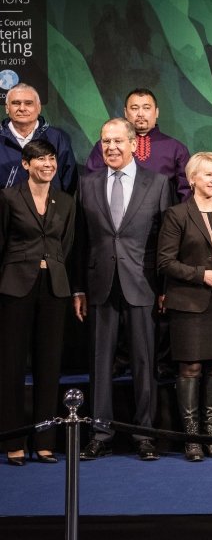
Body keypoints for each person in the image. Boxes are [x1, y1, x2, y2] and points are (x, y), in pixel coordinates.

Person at [73, 118, 172, 461]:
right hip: (99, 286)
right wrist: (77, 289)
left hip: (143, 285)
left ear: (133, 143)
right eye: (105, 141)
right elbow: (80, 241)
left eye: (117, 141)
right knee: (100, 363)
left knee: (145, 362)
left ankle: (145, 434)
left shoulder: (158, 183)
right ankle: (100, 433)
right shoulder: (87, 184)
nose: (111, 147)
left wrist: (164, 287)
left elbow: (164, 241)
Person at [158, 152, 212, 462]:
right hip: (190, 303)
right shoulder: (177, 214)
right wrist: (202, 275)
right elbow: (165, 262)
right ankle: (191, 438)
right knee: (191, 367)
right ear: (192, 179)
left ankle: (211, 434)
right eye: (207, 174)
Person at [0, 140, 75, 466]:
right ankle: (13, 442)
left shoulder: (67, 202)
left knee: (49, 367)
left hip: (54, 288)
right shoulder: (8, 197)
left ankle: (45, 442)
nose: (47, 164)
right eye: (40, 160)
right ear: (26, 164)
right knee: (11, 367)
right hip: (15, 287)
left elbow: (66, 245)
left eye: (51, 159)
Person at [86, 87, 190, 203]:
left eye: (146, 108)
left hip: (163, 216)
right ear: (125, 112)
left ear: (156, 112)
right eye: (134, 108)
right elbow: (92, 186)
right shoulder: (106, 146)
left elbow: (187, 193)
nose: (140, 114)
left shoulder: (175, 148)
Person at [1, 83, 78, 195]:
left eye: (28, 103)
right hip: (4, 211)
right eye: (16, 103)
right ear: (7, 108)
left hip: (50, 211)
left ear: (39, 108)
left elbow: (69, 181)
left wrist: (59, 210)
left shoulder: (57, 137)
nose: (22, 108)